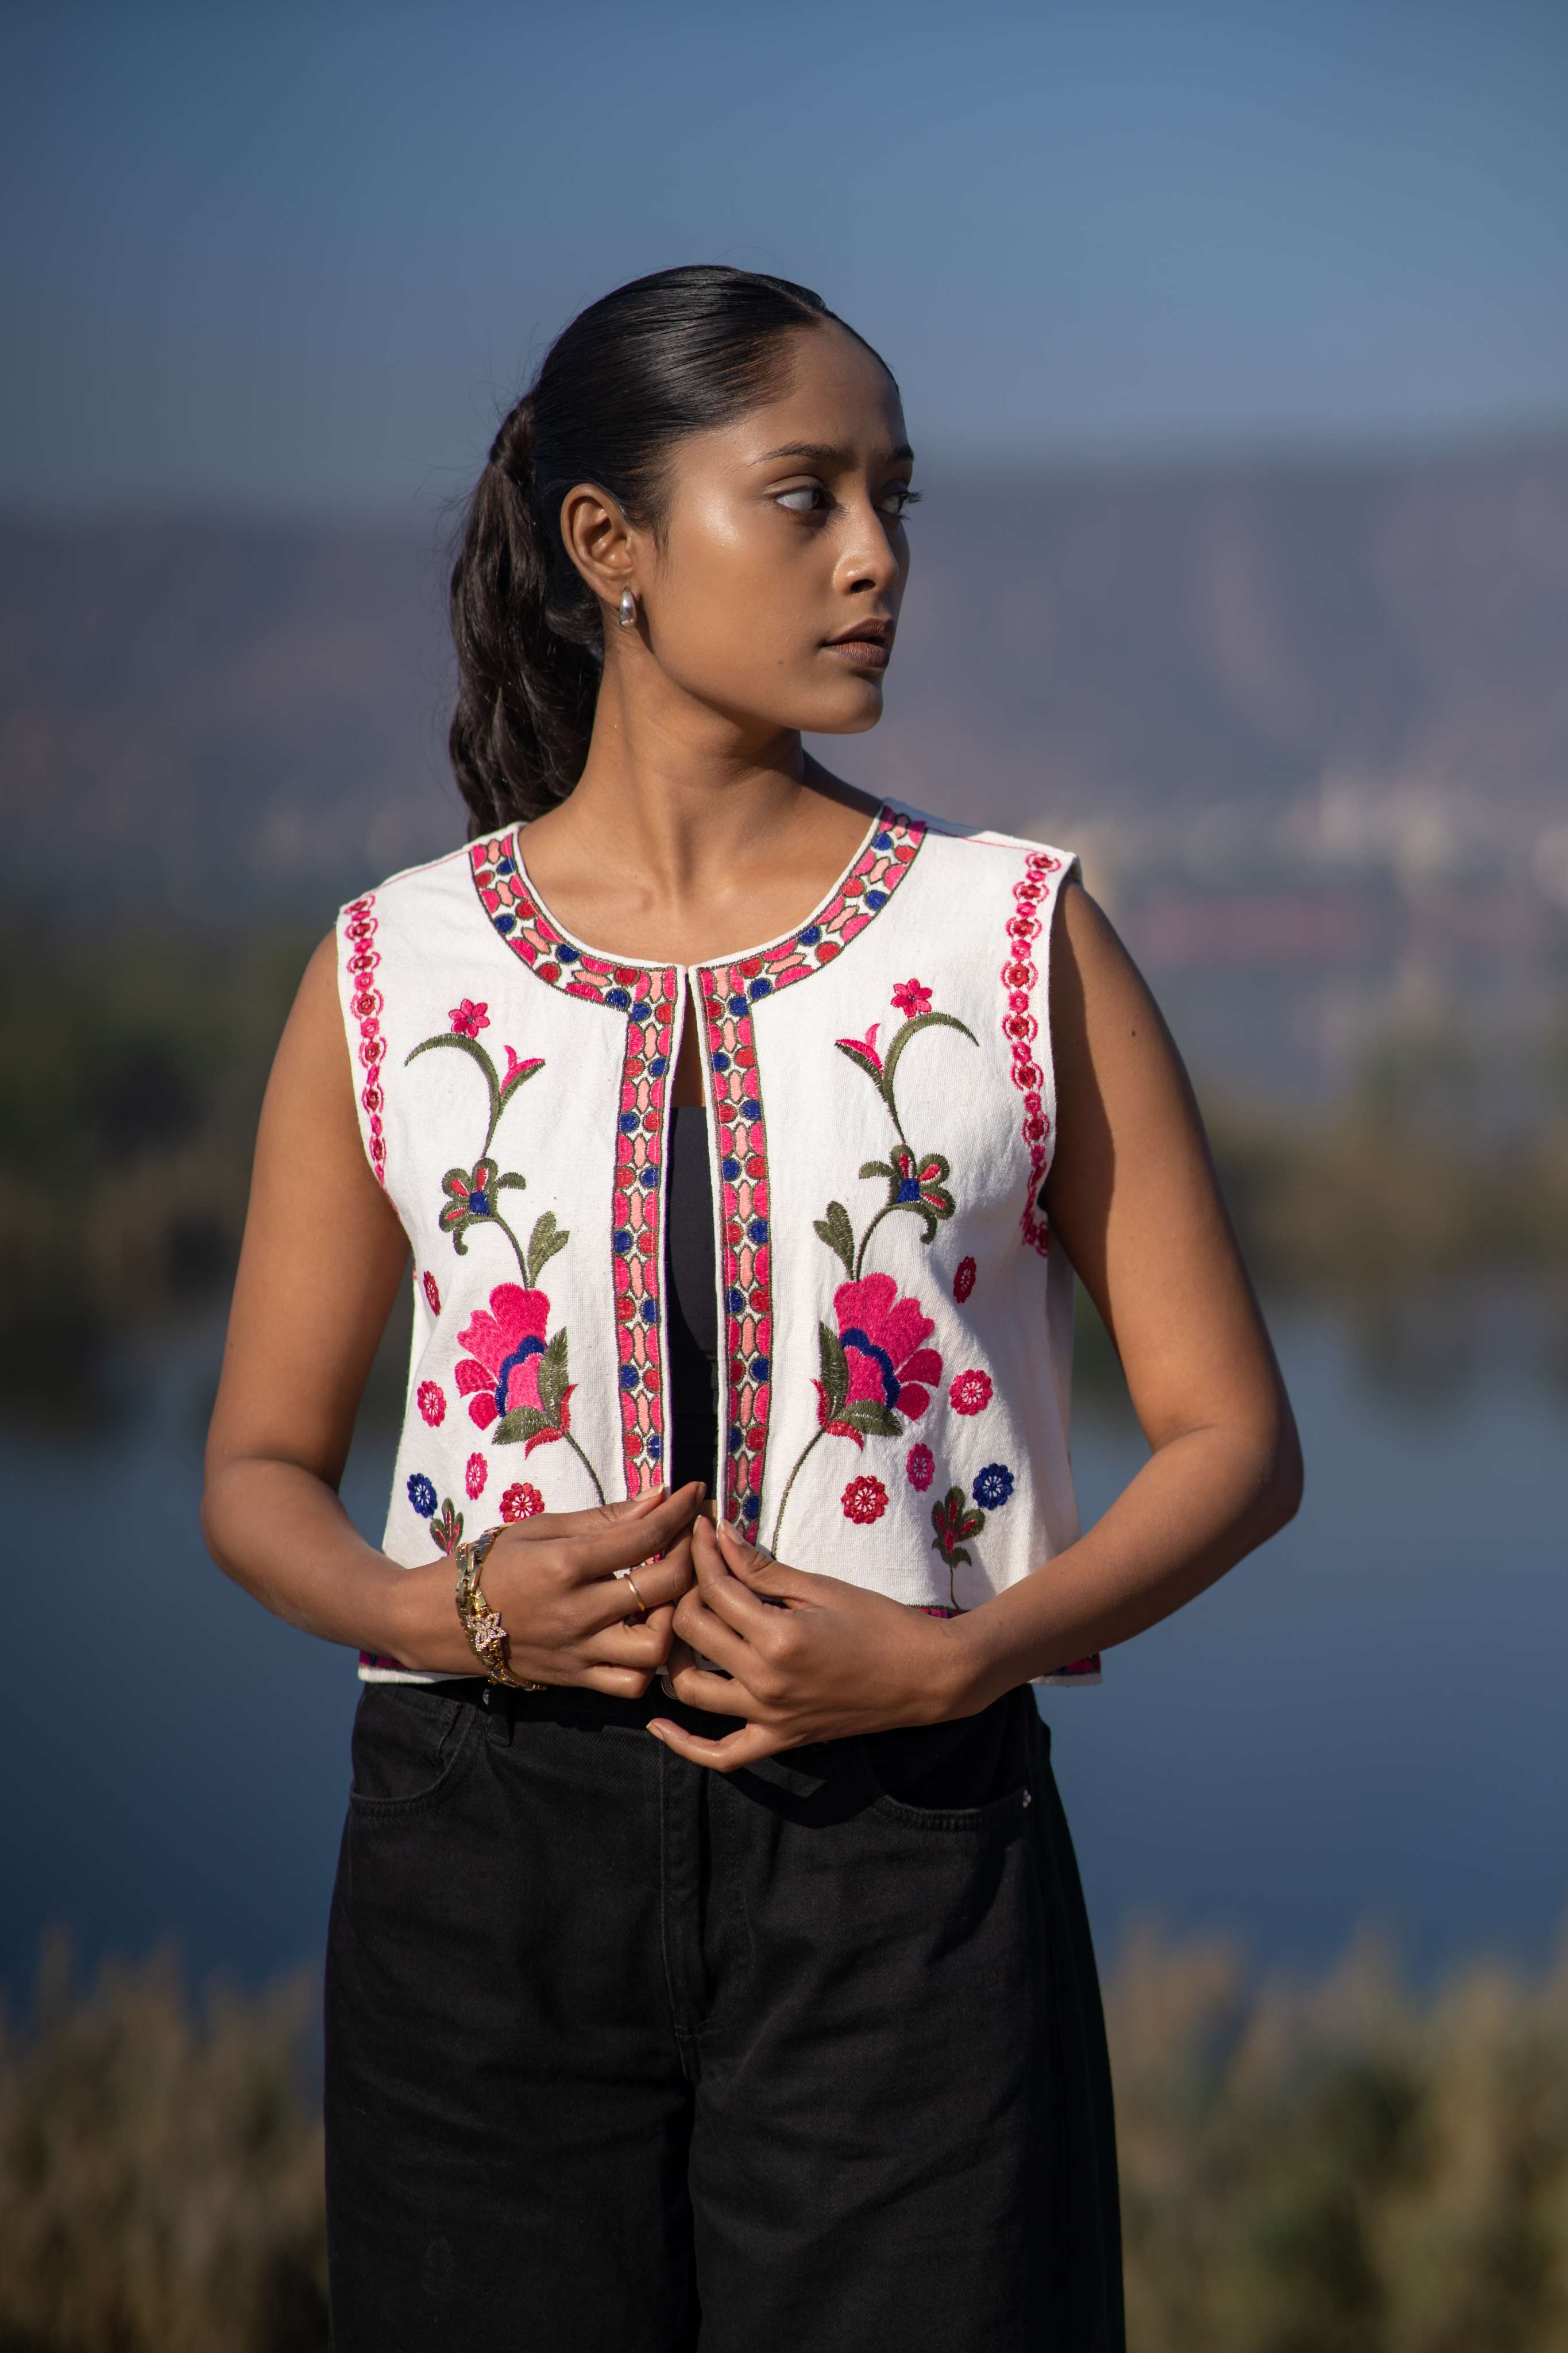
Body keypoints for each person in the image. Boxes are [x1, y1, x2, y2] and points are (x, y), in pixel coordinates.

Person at [202, 263, 1301, 2352]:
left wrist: (958, 1655)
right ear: (606, 547)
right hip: (477, 1865)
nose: (876, 554)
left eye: (893, 497)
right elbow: (256, 1472)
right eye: (804, 496)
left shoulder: (1014, 937)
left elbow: (1238, 1443)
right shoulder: (390, 970)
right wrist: (450, 1615)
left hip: (909, 1863)